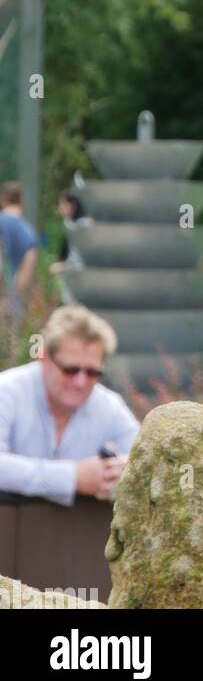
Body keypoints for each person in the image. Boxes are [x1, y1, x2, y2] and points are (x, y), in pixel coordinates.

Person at [0, 304, 137, 506]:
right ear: (44, 357)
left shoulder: (109, 405)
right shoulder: (6, 391)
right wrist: (73, 477)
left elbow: (146, 462)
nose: (80, 382)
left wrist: (123, 471)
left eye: (92, 373)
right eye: (70, 370)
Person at [0, 180, 39, 317]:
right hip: (13, 308)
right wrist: (10, 298)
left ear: (3, 199)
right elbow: (26, 273)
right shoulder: (29, 232)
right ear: (22, 201)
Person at [49, 191, 90, 274]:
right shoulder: (68, 223)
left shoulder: (83, 225)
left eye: (63, 204)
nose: (60, 208)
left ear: (72, 205)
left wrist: (63, 267)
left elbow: (79, 261)